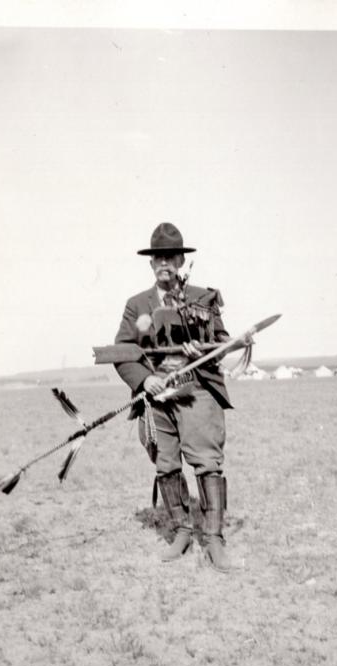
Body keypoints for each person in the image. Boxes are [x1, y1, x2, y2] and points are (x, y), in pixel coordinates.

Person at [114, 222, 232, 572]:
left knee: (207, 462)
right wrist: (145, 378)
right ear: (151, 264)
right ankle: (181, 530)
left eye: (170, 257)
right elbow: (122, 350)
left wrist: (201, 351)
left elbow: (222, 343)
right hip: (157, 399)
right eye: (158, 259)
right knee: (165, 464)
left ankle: (213, 538)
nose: (164, 264)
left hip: (196, 393)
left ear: (181, 260)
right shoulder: (137, 305)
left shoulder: (203, 297)